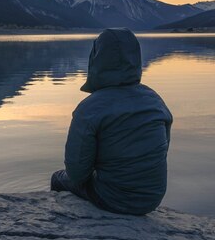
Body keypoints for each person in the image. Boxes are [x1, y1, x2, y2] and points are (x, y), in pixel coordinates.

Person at [50, 28, 173, 215]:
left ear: (96, 59)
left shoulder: (90, 108)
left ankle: (62, 220)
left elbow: (76, 174)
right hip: (152, 199)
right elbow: (162, 148)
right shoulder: (155, 100)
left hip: (112, 199)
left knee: (58, 178)